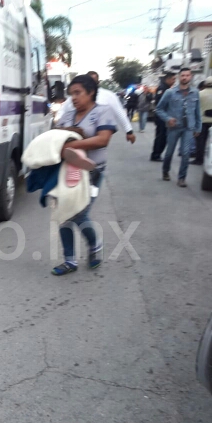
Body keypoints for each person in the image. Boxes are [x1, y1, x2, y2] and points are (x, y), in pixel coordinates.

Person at [51, 75, 117, 276]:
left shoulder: (103, 112)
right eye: (71, 94)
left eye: (78, 93)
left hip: (93, 172)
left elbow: (102, 140)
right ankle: (69, 260)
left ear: (91, 92)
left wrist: (71, 144)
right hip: (67, 170)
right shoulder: (68, 115)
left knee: (80, 213)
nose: (74, 98)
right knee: (63, 215)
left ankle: (95, 246)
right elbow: (56, 137)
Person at [57, 71, 136, 145]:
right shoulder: (72, 100)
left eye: (93, 81)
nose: (74, 97)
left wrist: (129, 131)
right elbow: (62, 112)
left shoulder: (108, 96)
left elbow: (119, 112)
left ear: (97, 82)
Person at [155, 68, 202, 187]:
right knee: (169, 153)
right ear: (179, 77)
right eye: (182, 75)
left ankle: (182, 178)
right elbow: (159, 109)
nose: (185, 77)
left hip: (188, 128)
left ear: (190, 77)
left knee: (186, 153)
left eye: (187, 75)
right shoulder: (170, 93)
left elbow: (197, 111)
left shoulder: (195, 93)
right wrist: (168, 118)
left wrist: (198, 127)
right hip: (174, 127)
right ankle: (165, 171)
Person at [150, 72, 176, 161]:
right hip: (162, 117)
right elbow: (160, 104)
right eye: (173, 79)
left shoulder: (166, 88)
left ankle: (157, 154)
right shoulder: (163, 88)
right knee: (161, 136)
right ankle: (156, 154)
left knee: (162, 136)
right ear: (168, 79)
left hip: (164, 116)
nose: (174, 81)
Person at [193, 77, 212, 165]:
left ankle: (199, 159)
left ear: (205, 84)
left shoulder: (199, 94)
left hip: (202, 121)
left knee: (200, 141)